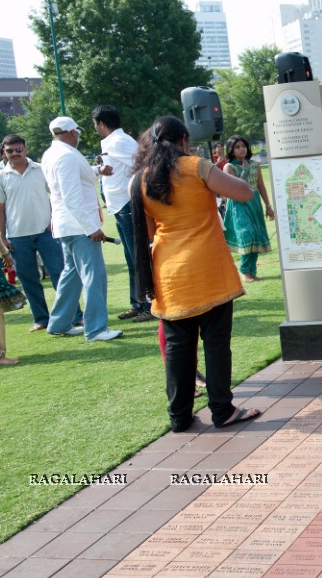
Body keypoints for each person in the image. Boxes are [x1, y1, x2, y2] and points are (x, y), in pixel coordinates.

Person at [133, 116, 261, 432]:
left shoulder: (140, 179)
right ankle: (222, 410)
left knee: (178, 347)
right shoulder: (197, 166)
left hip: (168, 271)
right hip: (208, 267)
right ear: (183, 139)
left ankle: (179, 416)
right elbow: (244, 192)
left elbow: (149, 230)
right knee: (216, 342)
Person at [40, 116, 122, 342]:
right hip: (78, 226)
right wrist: (91, 227)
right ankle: (96, 328)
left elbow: (71, 182)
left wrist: (96, 171)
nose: (78, 136)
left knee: (72, 274)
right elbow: (72, 196)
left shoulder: (52, 153)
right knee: (94, 275)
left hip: (67, 226)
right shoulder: (66, 156)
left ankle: (59, 322)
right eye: (77, 132)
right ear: (72, 132)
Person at [0, 134, 76, 332]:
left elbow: (56, 196)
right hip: (17, 236)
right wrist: (2, 236)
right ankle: (41, 319)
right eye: (10, 151)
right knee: (28, 279)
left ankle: (75, 316)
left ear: (26, 149)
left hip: (46, 232)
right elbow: (0, 210)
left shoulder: (41, 169)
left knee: (61, 274)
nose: (15, 153)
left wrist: (55, 220)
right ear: (4, 153)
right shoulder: (1, 176)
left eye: (19, 149)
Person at [92, 105, 153, 323]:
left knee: (139, 256)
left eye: (95, 124)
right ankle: (138, 303)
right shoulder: (112, 142)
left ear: (100, 123)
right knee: (131, 257)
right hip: (119, 207)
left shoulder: (120, 142)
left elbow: (143, 167)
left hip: (129, 205)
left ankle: (149, 304)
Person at [221, 136, 274, 282]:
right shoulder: (229, 167)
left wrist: (268, 206)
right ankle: (244, 271)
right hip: (238, 204)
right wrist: (243, 171)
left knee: (256, 235)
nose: (241, 149)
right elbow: (234, 187)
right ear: (231, 150)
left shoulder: (255, 165)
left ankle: (252, 271)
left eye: (243, 146)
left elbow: (261, 186)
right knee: (247, 235)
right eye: (237, 147)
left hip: (254, 202)